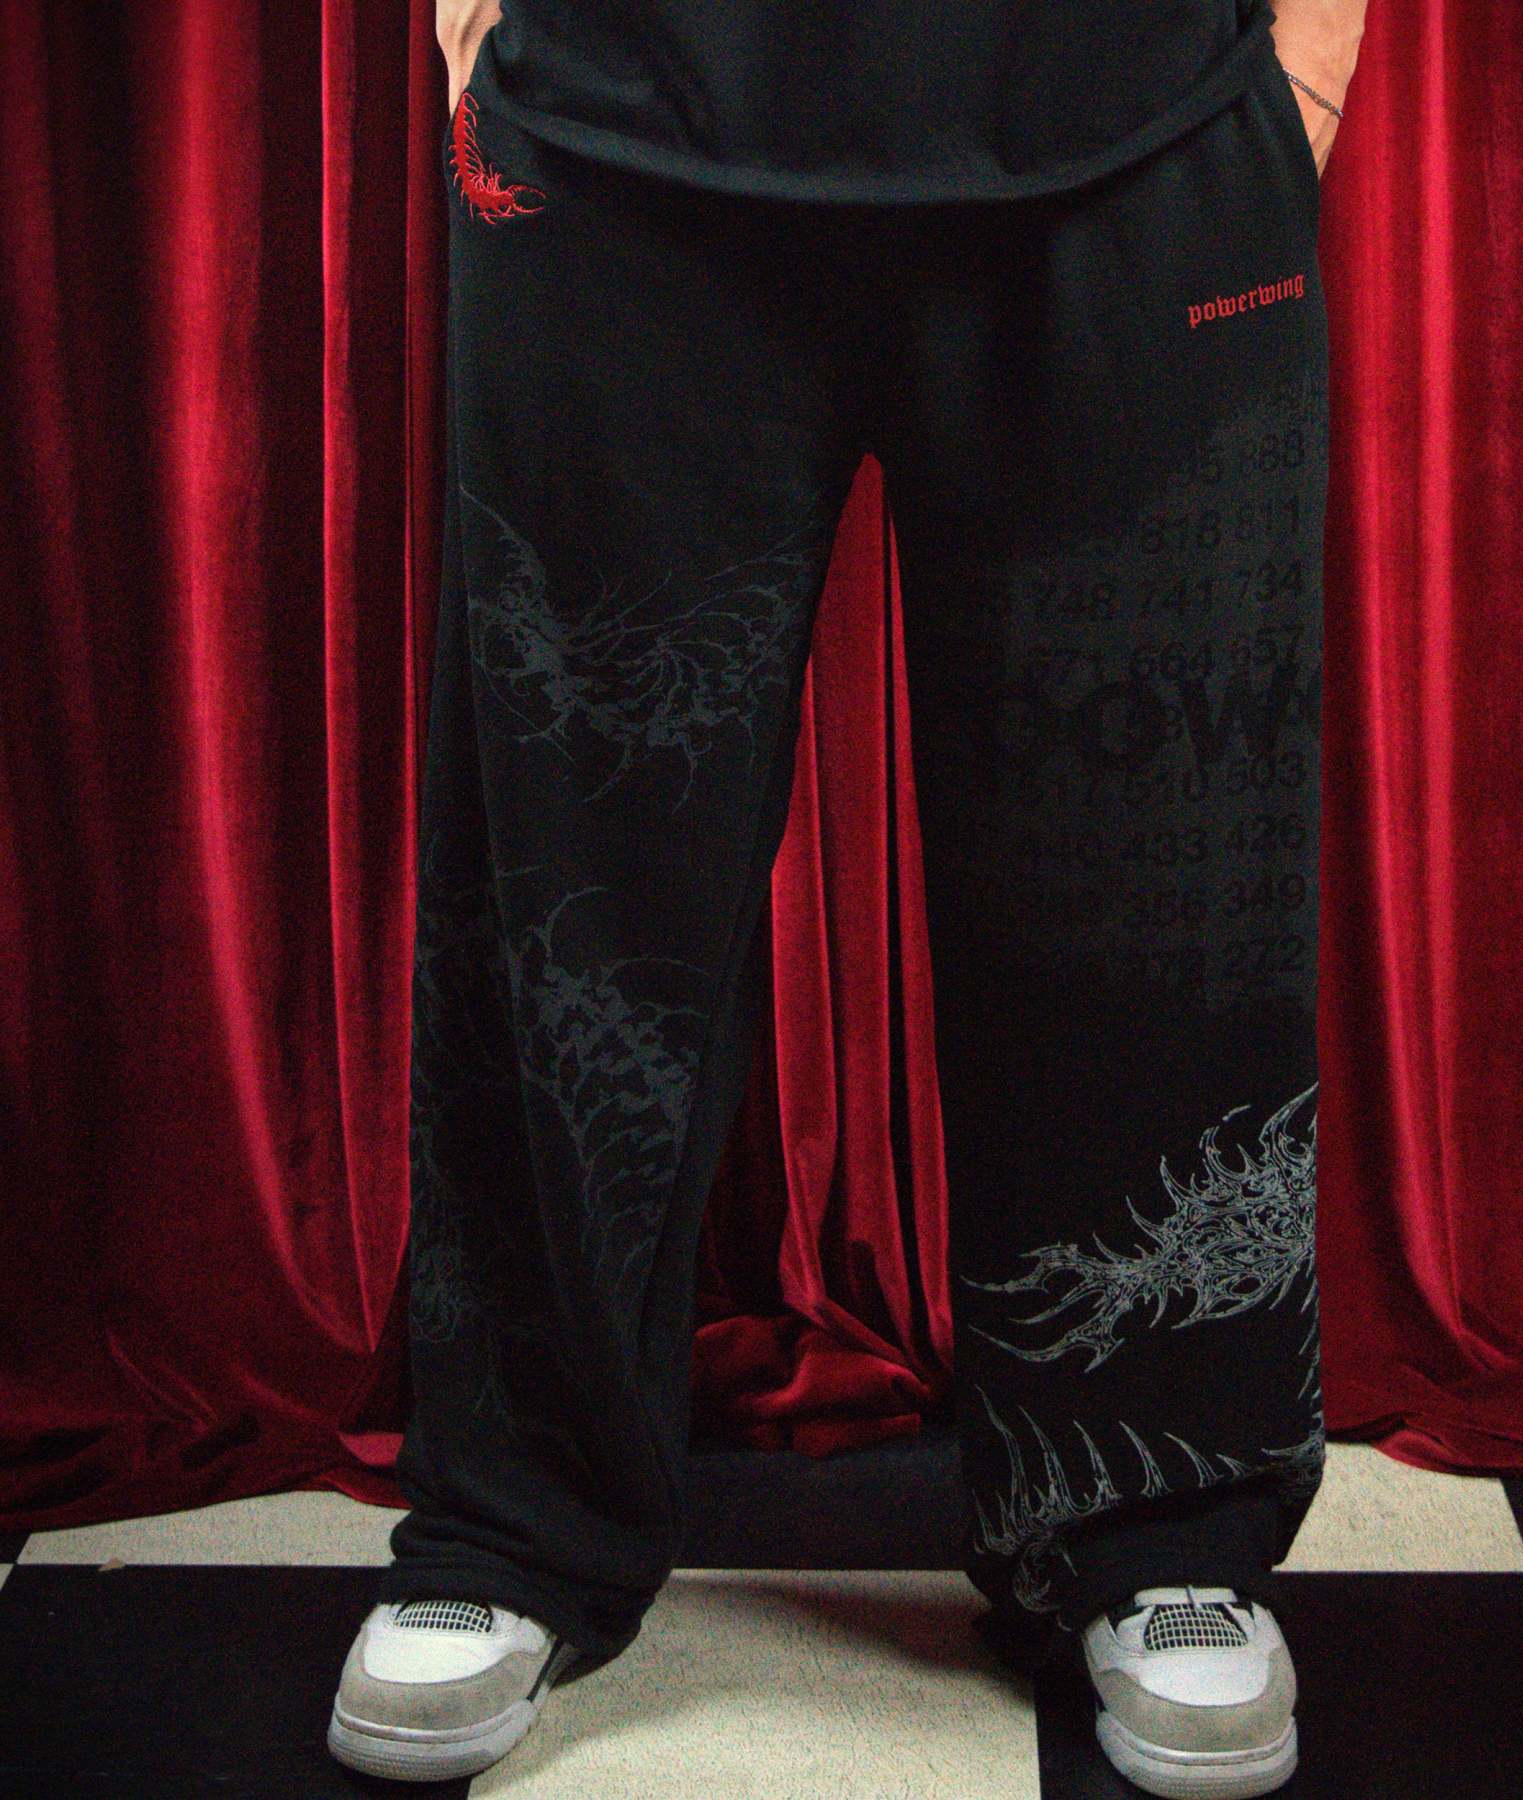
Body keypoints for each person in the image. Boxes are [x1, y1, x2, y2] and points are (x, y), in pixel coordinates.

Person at [328, 0, 1366, 1791]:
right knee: (564, 859)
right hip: (619, 129)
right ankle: (512, 1520)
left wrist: (1314, 53)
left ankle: (1156, 1517)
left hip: (1145, 125)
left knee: (1156, 841)